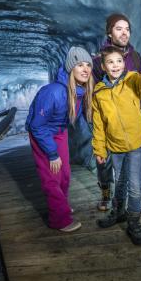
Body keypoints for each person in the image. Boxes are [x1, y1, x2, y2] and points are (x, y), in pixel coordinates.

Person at [92, 46, 141, 245]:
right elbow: (99, 124)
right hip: (116, 147)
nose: (115, 65)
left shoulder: (132, 80)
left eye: (119, 61)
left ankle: (134, 224)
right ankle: (118, 212)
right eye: (110, 62)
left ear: (124, 63)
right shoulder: (99, 92)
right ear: (103, 66)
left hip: (135, 145)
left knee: (135, 187)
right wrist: (100, 149)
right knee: (119, 182)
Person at [25, 46, 94, 232]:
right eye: (80, 65)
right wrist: (52, 153)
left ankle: (61, 205)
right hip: (43, 133)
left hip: (60, 131)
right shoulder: (53, 92)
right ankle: (59, 219)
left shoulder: (80, 91)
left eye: (88, 65)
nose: (85, 69)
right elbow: (37, 126)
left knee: (64, 173)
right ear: (71, 67)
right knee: (51, 177)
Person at [92, 13, 141, 217]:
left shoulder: (135, 57)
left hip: (130, 117)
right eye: (119, 28)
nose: (124, 32)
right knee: (106, 161)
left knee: (134, 159)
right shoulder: (98, 60)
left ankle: (138, 196)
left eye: (127, 28)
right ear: (110, 32)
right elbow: (95, 90)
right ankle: (106, 192)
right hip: (108, 118)